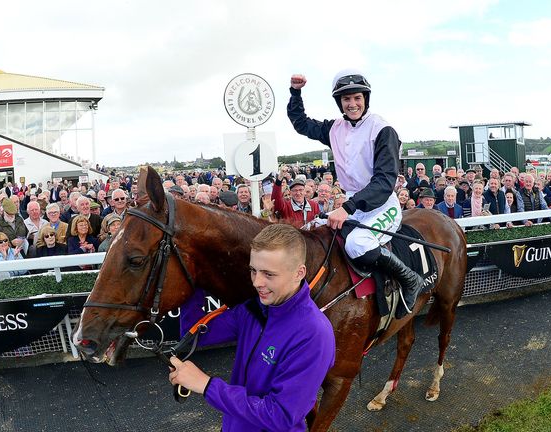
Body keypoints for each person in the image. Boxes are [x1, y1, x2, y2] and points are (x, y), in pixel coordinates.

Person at [169, 224, 335, 431]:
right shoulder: (254, 309)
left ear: (299, 273)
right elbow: (196, 333)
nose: (257, 282)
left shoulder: (314, 334)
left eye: (269, 274)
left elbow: (281, 416)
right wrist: (195, 275)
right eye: (253, 270)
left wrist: (206, 385)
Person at [287, 70, 423, 311]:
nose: (352, 104)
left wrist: (346, 208)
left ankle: (409, 278)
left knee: (357, 244)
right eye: (346, 99)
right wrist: (295, 92)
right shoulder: (335, 128)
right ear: (340, 102)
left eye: (357, 98)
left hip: (382, 204)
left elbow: (383, 183)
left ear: (365, 99)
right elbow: (301, 123)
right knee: (305, 235)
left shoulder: (383, 129)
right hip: (350, 205)